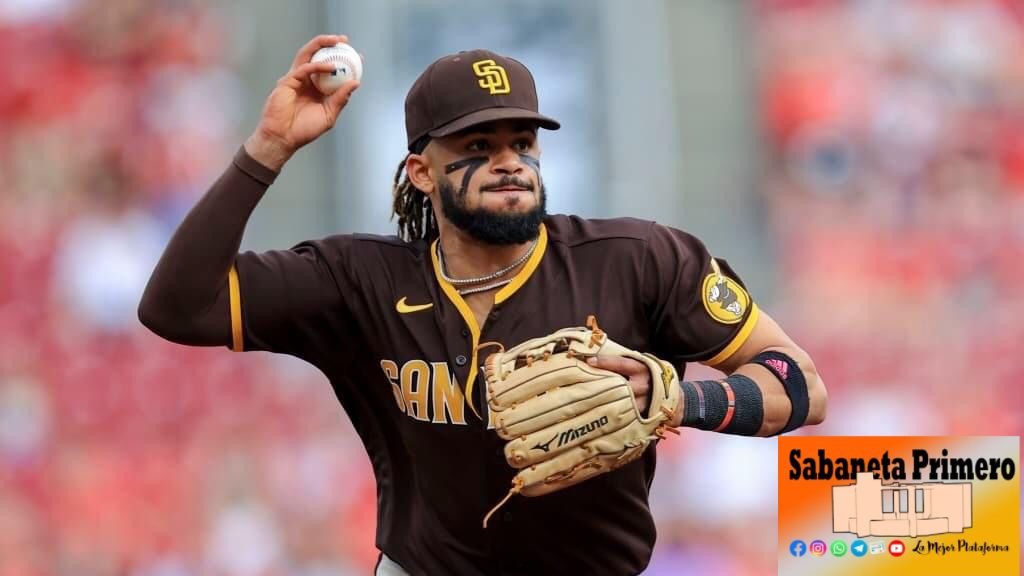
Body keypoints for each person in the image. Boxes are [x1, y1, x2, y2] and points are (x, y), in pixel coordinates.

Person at [139, 34, 828, 576]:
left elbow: (800, 384)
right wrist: (268, 148)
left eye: (522, 143)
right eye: (478, 145)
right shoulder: (358, 280)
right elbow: (176, 307)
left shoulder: (636, 259)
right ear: (421, 172)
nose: (509, 161)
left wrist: (682, 399)